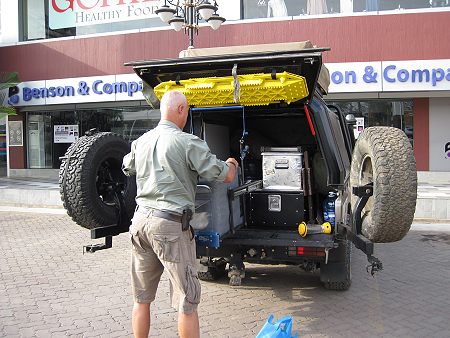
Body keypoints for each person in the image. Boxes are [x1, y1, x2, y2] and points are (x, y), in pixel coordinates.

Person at [122, 90, 239, 338]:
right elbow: (226, 176)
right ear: (181, 110)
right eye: (186, 112)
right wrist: (232, 163)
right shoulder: (187, 142)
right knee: (188, 299)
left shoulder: (141, 141)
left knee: (141, 298)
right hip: (169, 227)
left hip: (140, 222)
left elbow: (126, 165)